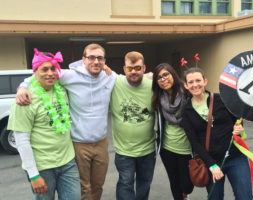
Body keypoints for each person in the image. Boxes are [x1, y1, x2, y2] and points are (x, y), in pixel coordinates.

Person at [16, 43, 117, 200]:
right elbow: (41, 73)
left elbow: (129, 78)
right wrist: (22, 87)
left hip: (101, 143)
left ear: (104, 60)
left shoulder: (110, 77)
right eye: (91, 57)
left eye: (100, 58)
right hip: (78, 144)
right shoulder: (70, 75)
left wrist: (148, 75)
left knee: (98, 185)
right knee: (84, 187)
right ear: (83, 59)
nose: (96, 61)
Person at [7, 49, 81, 200]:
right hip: (43, 167)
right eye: (44, 69)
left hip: (68, 162)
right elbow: (21, 141)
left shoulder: (61, 89)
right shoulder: (25, 99)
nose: (50, 73)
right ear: (35, 72)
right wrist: (34, 175)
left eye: (53, 68)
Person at [180, 67, 253, 200]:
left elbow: (237, 119)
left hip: (235, 157)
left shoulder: (221, 99)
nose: (195, 84)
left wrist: (239, 128)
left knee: (245, 197)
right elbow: (195, 143)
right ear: (185, 85)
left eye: (198, 80)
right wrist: (212, 165)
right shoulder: (186, 111)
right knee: (215, 197)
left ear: (205, 81)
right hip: (212, 162)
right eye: (190, 82)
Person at [109, 51, 156, 200]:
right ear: (124, 69)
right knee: (125, 183)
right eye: (130, 68)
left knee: (144, 184)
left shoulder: (154, 85)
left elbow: (174, 86)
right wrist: (33, 84)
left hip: (148, 150)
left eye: (137, 68)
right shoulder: (114, 83)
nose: (134, 72)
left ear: (144, 68)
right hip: (124, 151)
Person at [151, 63, 194, 200]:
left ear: (173, 74)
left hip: (187, 148)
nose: (163, 79)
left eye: (166, 75)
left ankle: (185, 194)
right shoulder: (158, 98)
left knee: (187, 185)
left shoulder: (188, 94)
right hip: (167, 148)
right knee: (175, 183)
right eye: (159, 77)